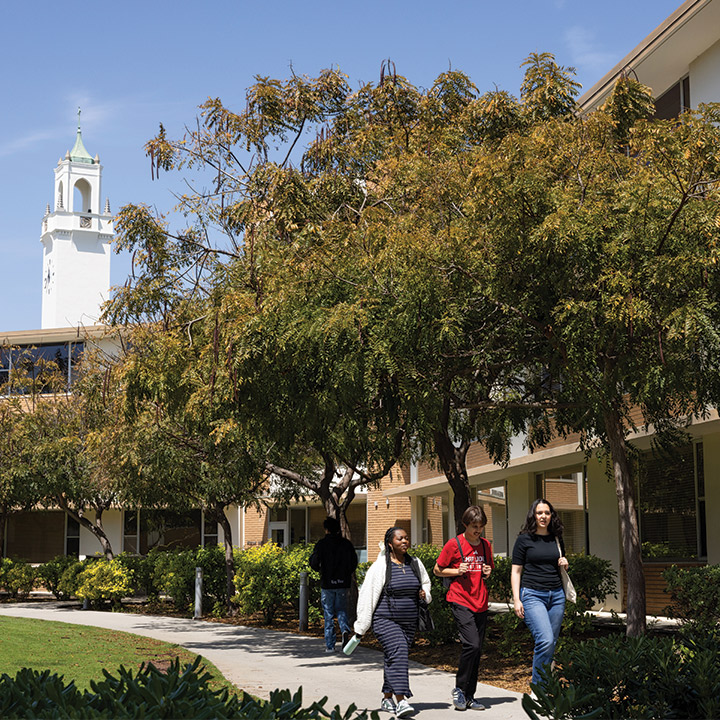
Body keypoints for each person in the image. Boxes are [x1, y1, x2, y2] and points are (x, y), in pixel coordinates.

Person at [354, 526, 432, 718]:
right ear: (390, 544)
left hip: (409, 622)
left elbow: (426, 583)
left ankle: (386, 699)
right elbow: (367, 596)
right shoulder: (380, 566)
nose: (405, 541)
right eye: (400, 539)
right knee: (399, 650)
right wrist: (361, 627)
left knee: (394, 657)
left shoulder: (415, 563)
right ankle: (401, 701)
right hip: (384, 619)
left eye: (406, 538)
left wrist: (425, 594)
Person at [433, 505, 494, 712]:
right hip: (460, 600)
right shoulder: (454, 544)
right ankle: (459, 689)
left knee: (477, 651)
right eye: (474, 526)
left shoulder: (486, 545)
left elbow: (487, 571)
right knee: (473, 645)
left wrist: (487, 571)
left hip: (481, 602)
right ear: (465, 524)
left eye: (481, 526)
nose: (478, 530)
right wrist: (455, 570)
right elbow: (437, 569)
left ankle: (470, 695)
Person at [511, 498, 568, 688]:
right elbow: (516, 571)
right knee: (545, 640)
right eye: (539, 513)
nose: (543, 516)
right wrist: (517, 599)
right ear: (533, 515)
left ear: (552, 516)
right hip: (533, 595)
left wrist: (565, 563)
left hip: (557, 596)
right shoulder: (524, 539)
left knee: (550, 645)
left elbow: (560, 564)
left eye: (547, 513)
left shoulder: (556, 538)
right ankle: (538, 689)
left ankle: (545, 686)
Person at [309, 517, 358, 653]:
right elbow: (354, 562)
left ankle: (330, 645)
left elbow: (314, 562)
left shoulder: (322, 544)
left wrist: (320, 569)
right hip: (342, 582)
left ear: (326, 529)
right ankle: (344, 630)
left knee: (329, 613)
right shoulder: (346, 544)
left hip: (327, 583)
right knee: (341, 609)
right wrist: (347, 573)